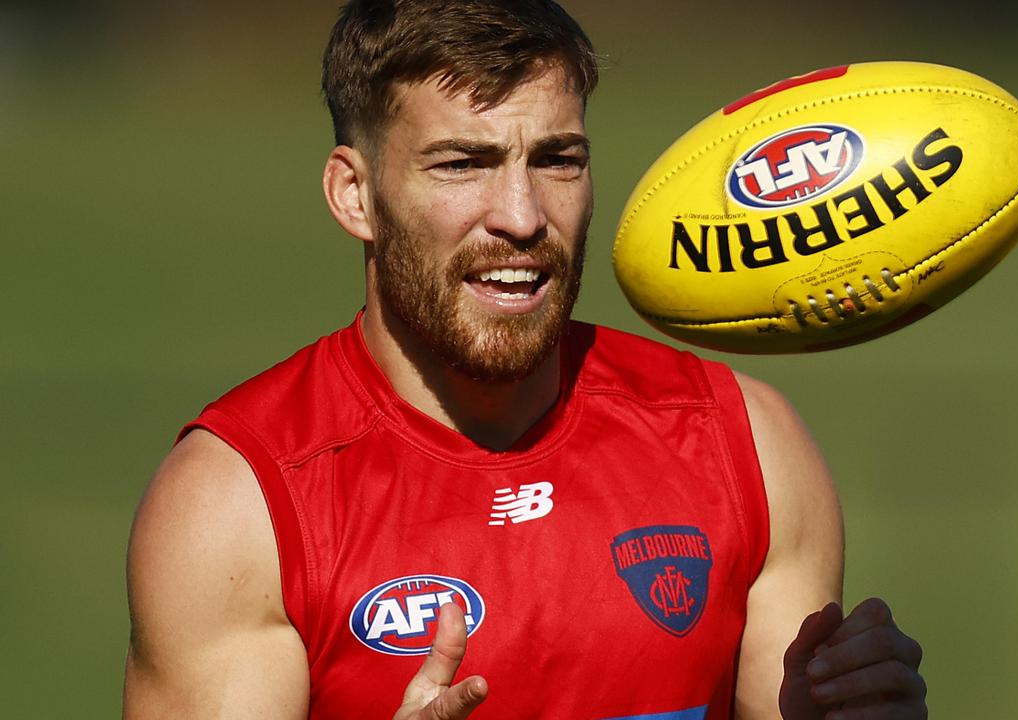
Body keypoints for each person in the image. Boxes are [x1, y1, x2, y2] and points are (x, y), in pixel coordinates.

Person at [123, 1, 927, 718]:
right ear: (354, 196)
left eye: (557, 159)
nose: (522, 216)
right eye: (462, 163)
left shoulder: (743, 444)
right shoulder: (240, 506)